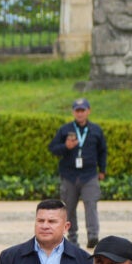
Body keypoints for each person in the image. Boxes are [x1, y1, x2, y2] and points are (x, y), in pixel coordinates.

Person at [49, 99, 108, 248]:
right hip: (69, 175)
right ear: (73, 112)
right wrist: (66, 146)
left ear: (88, 111)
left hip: (89, 175)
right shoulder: (65, 129)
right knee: (69, 208)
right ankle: (72, 237)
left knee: (91, 204)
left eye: (83, 110)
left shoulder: (96, 130)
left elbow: (103, 151)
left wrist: (103, 170)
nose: (80, 113)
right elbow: (53, 148)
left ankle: (93, 236)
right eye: (77, 110)